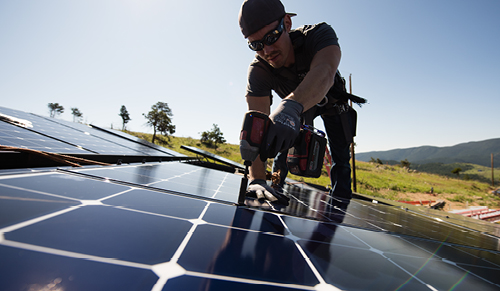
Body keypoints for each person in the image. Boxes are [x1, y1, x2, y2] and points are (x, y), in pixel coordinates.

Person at [239, 0, 360, 203]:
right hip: (297, 110)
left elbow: (325, 71)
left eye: (271, 37)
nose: (267, 50)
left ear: (287, 23)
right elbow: (257, 128)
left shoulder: (318, 35)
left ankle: (339, 207)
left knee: (341, 158)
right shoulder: (259, 71)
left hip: (331, 104)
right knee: (280, 140)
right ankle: (276, 189)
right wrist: (256, 178)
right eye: (256, 45)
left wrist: (291, 107)